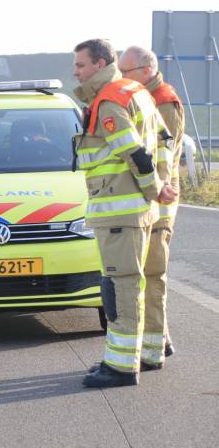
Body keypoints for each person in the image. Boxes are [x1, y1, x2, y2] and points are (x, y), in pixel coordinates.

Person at [72, 39, 176, 388]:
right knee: (134, 283)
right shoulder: (139, 93)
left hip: (119, 209)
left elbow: (133, 151)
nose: (76, 72)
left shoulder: (109, 101)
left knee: (120, 287)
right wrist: (160, 187)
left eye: (81, 65)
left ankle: (119, 367)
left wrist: (154, 187)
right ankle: (146, 354)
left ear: (101, 63)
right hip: (136, 210)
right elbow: (164, 141)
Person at [118, 45, 184, 367]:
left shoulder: (163, 101)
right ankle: (161, 340)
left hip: (159, 204)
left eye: (125, 72)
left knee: (151, 276)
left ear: (145, 70)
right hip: (152, 201)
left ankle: (152, 350)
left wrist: (156, 193)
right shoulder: (147, 96)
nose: (121, 77)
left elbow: (165, 158)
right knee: (145, 276)